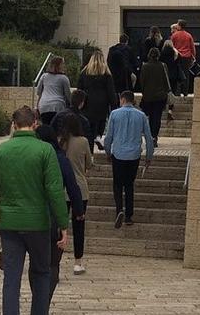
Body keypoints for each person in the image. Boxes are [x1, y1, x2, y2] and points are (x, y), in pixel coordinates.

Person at [0, 106, 70, 315]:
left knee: (11, 282)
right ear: (35, 123)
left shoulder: (1, 150)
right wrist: (63, 225)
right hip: (38, 223)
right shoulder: (45, 151)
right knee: (42, 274)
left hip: (10, 222)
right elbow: (55, 190)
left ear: (13, 124)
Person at [35, 124, 85, 303]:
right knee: (52, 264)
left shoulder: (32, 156)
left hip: (30, 213)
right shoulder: (60, 159)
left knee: (38, 263)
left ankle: (39, 298)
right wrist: (78, 210)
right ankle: (43, 302)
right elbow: (72, 186)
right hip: (53, 215)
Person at [103, 91, 154, 228]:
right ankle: (129, 216)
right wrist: (149, 157)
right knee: (129, 184)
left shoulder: (114, 114)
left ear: (123, 99)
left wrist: (108, 152)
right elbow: (149, 138)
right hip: (134, 155)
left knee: (118, 184)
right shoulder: (141, 116)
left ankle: (119, 209)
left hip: (118, 154)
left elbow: (108, 137)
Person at [58, 113, 93, 274]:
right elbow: (89, 163)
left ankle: (56, 259)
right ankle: (78, 262)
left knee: (60, 225)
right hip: (80, 188)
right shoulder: (83, 141)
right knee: (79, 225)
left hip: (63, 189)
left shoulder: (61, 142)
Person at [75, 50, 117, 149]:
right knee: (100, 122)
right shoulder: (106, 73)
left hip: (87, 103)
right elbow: (111, 92)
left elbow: (79, 89)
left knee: (88, 127)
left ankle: (90, 149)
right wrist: (114, 106)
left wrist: (78, 104)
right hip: (102, 103)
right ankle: (98, 136)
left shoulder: (84, 72)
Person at [139, 47, 171, 146]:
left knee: (149, 117)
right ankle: (154, 136)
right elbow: (166, 81)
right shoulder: (163, 66)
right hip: (160, 96)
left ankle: (150, 136)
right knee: (157, 117)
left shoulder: (145, 66)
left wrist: (144, 92)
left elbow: (142, 82)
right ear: (158, 55)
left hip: (148, 96)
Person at [35, 55, 72, 126]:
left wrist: (37, 106)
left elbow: (39, 92)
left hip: (44, 106)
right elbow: (68, 95)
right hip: (58, 106)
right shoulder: (64, 78)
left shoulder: (44, 76)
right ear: (60, 66)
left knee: (46, 125)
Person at [171, 19, 197, 96]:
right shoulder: (189, 35)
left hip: (177, 56)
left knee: (177, 74)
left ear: (179, 25)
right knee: (186, 74)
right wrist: (193, 57)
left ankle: (177, 91)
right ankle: (185, 92)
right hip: (187, 57)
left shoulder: (174, 35)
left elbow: (172, 46)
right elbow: (192, 47)